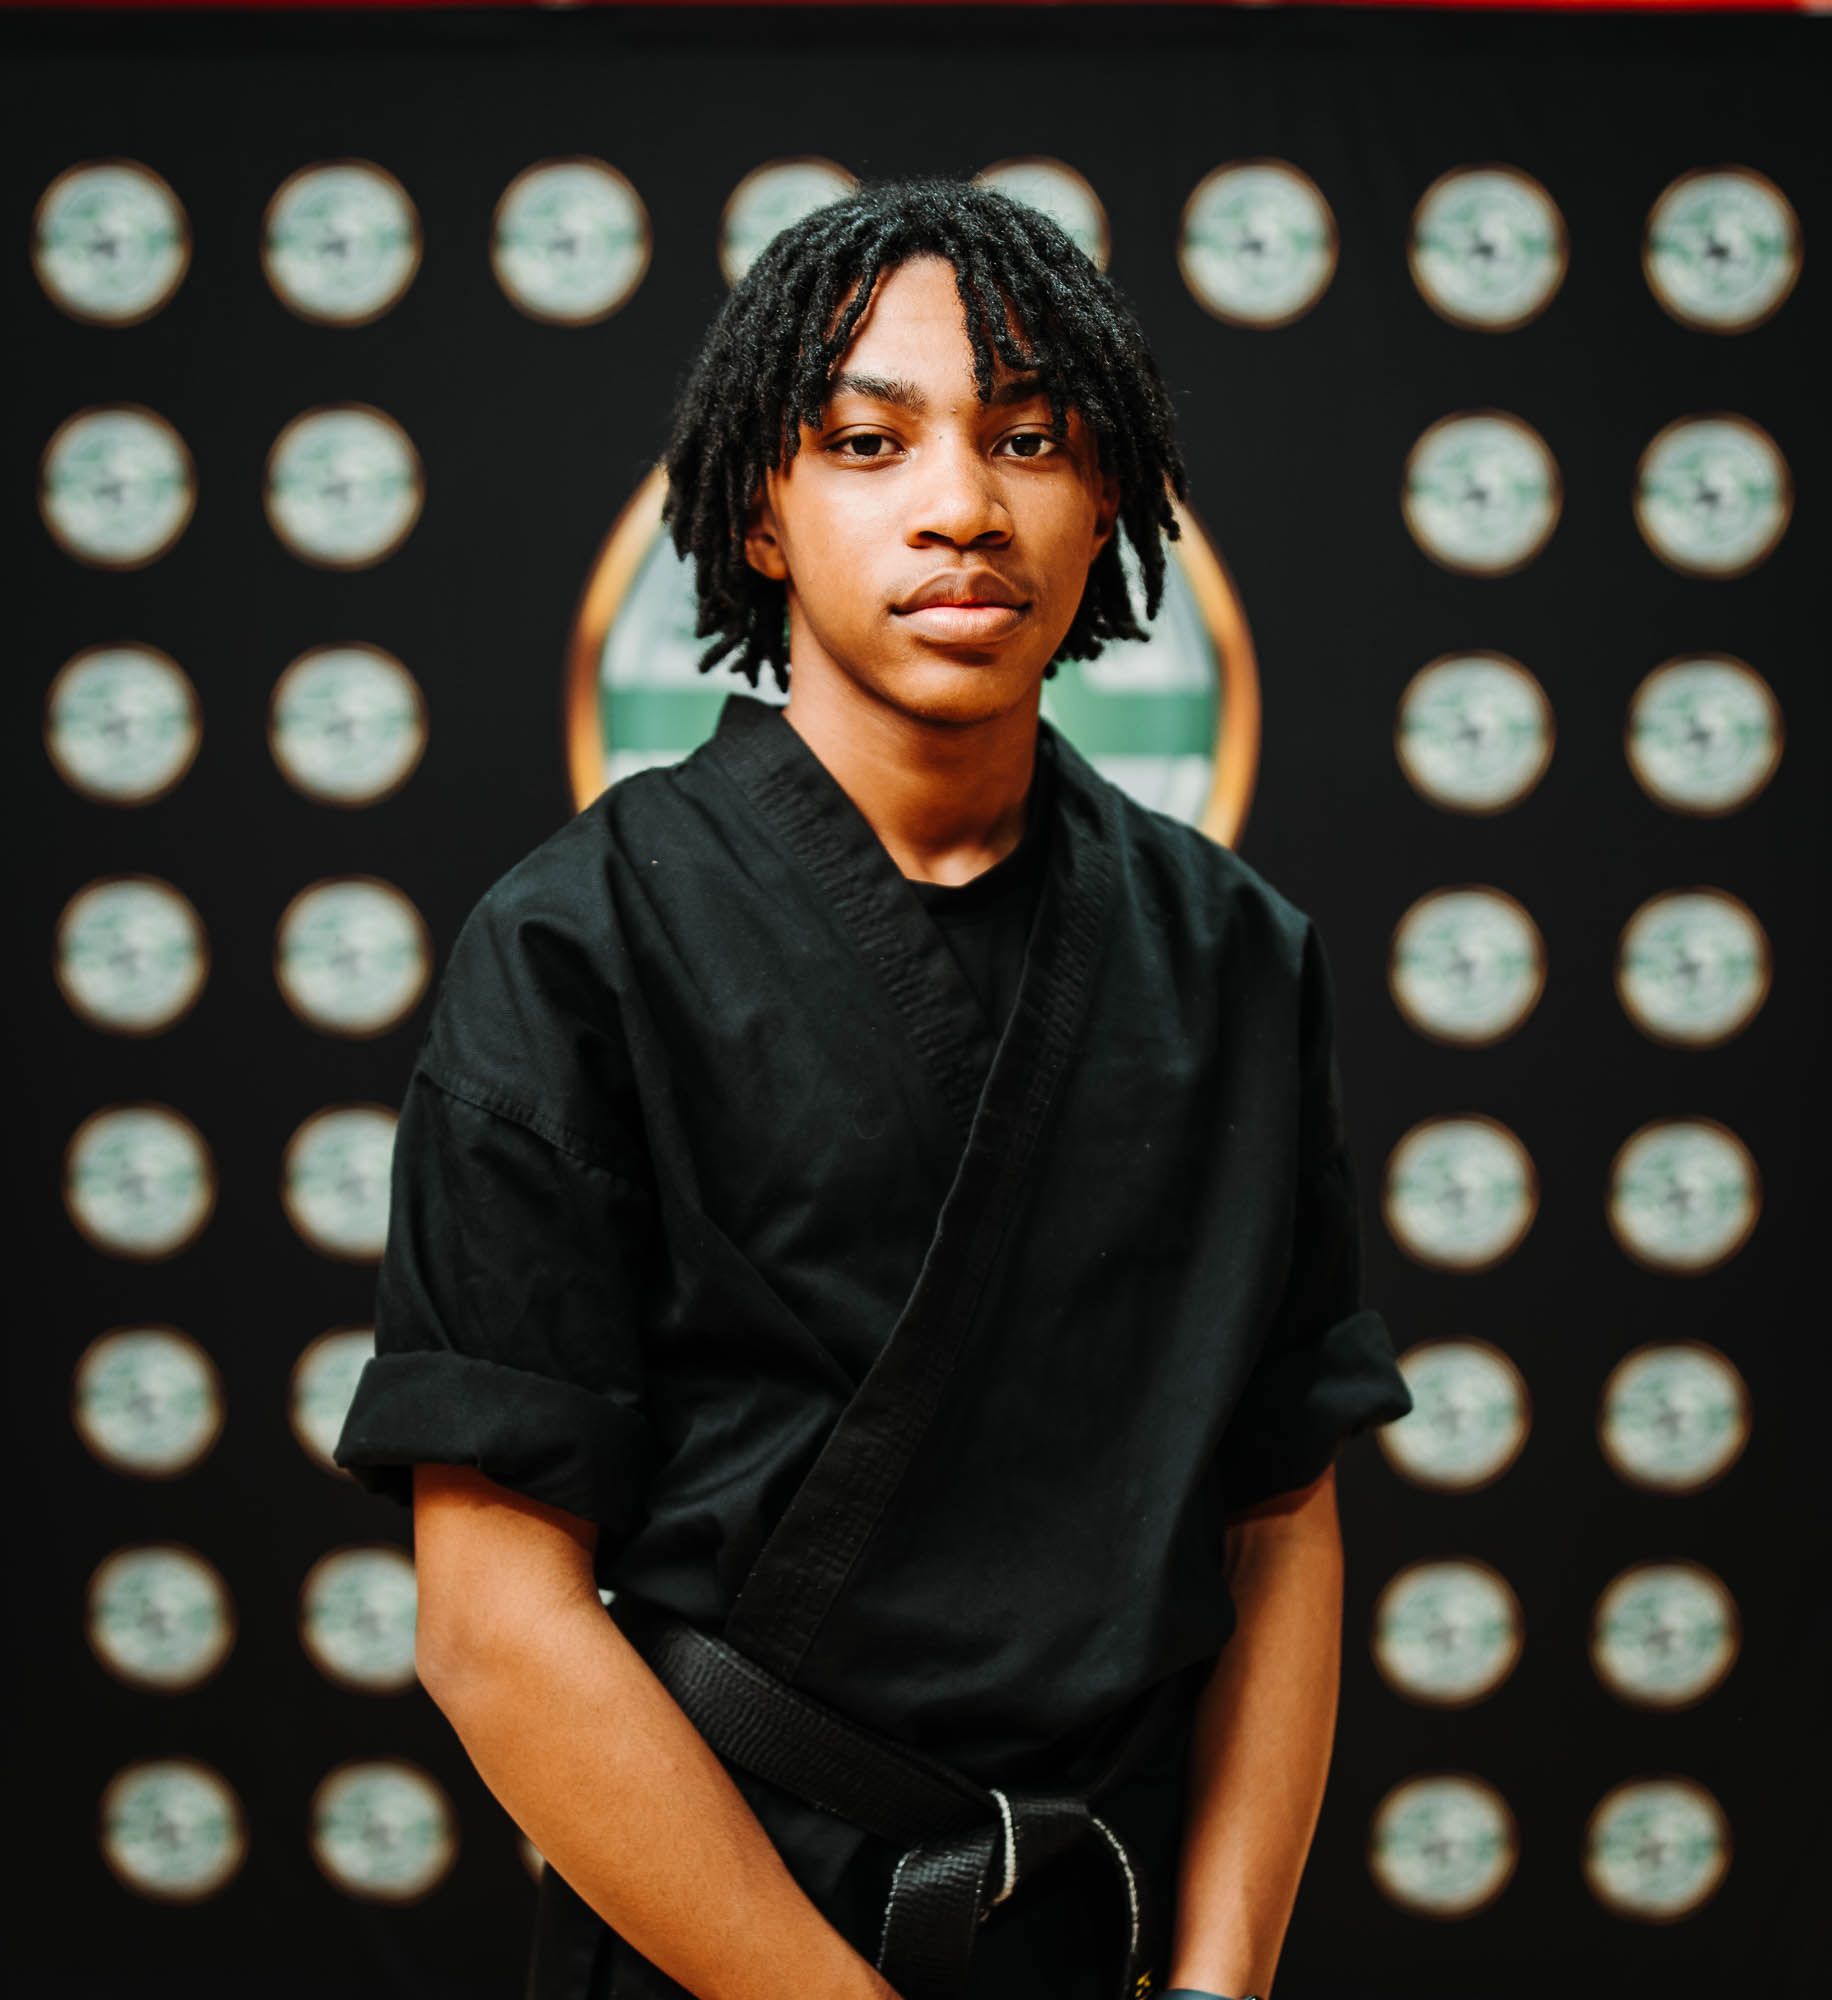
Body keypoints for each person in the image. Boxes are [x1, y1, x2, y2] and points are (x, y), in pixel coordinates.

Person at [332, 176, 1413, 2000]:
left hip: (1116, 1933)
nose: (962, 508)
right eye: (867, 439)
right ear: (760, 506)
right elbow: (495, 1621)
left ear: (1110, 505)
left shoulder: (1233, 953)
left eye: (1030, 440)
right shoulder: (579, 942)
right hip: (728, 1933)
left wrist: (1223, 1982)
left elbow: (1276, 1513)